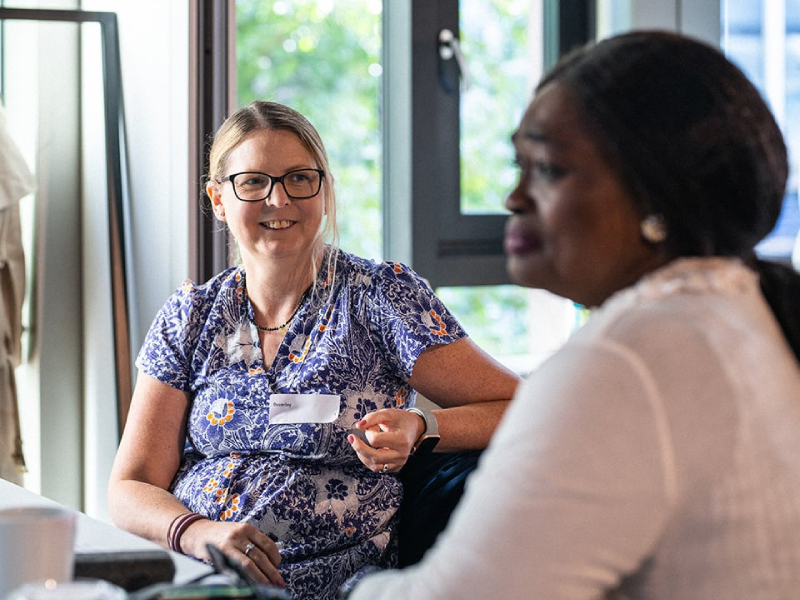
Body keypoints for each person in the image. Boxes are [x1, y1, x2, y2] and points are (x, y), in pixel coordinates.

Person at [346, 30, 800, 600]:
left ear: (655, 194)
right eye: (519, 164)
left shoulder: (629, 359)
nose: (513, 197)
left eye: (549, 169)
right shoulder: (738, 309)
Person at [107, 100, 519, 600]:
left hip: (331, 586)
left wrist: (424, 426)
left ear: (324, 191)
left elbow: (521, 407)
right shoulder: (191, 316)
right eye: (253, 182)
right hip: (203, 575)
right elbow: (130, 486)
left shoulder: (378, 297)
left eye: (299, 179)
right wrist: (198, 533)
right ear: (218, 199)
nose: (278, 200)